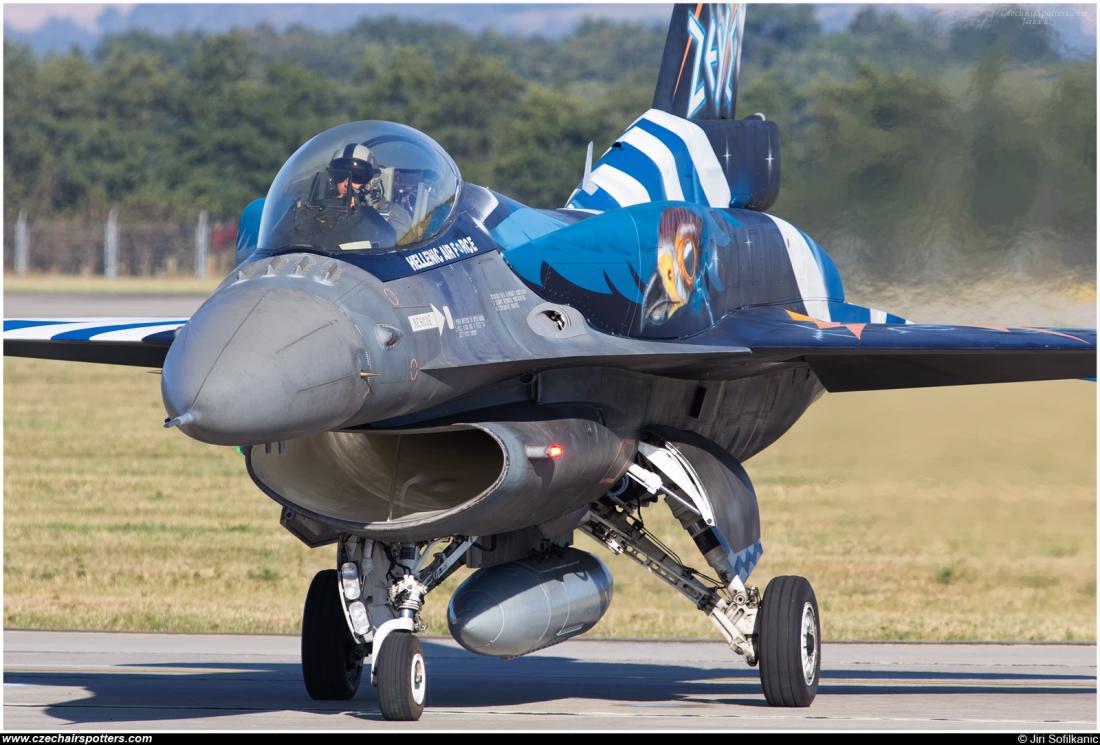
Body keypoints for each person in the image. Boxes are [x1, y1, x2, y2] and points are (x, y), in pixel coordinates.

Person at [327, 143, 413, 242]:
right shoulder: (322, 210)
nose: (347, 183)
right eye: (340, 175)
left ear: (373, 180)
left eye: (357, 176)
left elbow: (396, 246)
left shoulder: (394, 214)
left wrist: (363, 212)